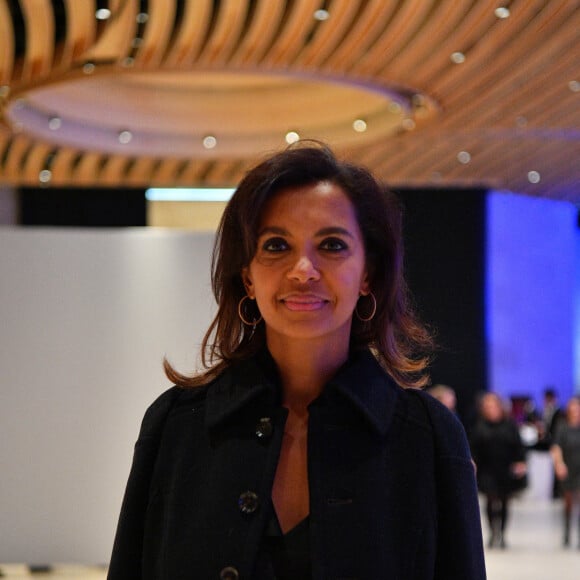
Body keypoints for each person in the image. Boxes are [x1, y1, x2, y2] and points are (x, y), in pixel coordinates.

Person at [107, 142, 486, 579]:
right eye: (275, 245)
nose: (303, 269)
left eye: (331, 244)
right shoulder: (175, 425)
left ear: (368, 274)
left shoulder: (429, 438)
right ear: (247, 276)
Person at [470, 392, 527, 549]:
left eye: (493, 405)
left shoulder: (509, 425)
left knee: (504, 501)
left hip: (505, 469)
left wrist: (521, 462)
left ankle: (502, 533)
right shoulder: (479, 426)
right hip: (487, 470)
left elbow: (518, 446)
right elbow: (473, 449)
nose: (491, 409)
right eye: (487, 406)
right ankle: (492, 533)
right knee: (489, 499)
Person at [550, 396, 580, 547]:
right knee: (568, 502)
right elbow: (556, 447)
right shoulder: (562, 427)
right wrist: (559, 464)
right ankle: (567, 532)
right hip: (568, 467)